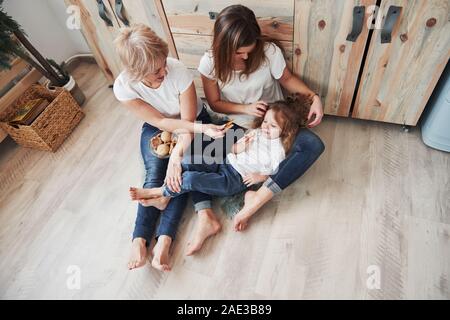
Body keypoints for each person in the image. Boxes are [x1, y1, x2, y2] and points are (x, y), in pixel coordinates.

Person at [196, 5, 326, 233]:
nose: (245, 56)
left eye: (249, 49)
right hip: (237, 124)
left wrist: (313, 96)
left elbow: (286, 78)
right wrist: (245, 109)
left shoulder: (268, 52)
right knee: (196, 154)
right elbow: (215, 103)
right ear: (223, 45)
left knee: (313, 144)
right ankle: (204, 215)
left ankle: (257, 198)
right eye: (238, 52)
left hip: (272, 122)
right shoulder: (209, 63)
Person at [113, 24, 225, 271]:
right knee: (154, 174)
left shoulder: (178, 71)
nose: (165, 70)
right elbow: (161, 122)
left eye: (164, 63)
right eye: (156, 71)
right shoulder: (123, 87)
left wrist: (177, 157)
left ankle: (163, 242)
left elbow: (187, 123)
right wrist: (173, 156)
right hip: (158, 127)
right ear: (135, 72)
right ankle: (140, 239)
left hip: (193, 123)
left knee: (181, 172)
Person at [129, 96, 310, 208]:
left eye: (273, 126)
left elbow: (276, 172)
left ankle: (161, 193)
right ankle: (166, 196)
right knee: (188, 161)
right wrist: (239, 147)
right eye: (265, 122)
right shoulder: (255, 132)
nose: (266, 128)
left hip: (234, 179)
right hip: (225, 162)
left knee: (191, 179)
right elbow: (233, 149)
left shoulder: (278, 150)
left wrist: (259, 178)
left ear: (286, 131)